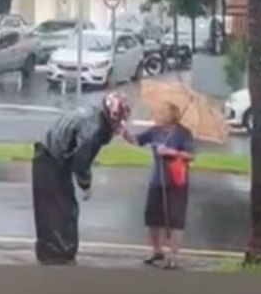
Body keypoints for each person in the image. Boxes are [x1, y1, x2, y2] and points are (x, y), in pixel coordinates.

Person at [32, 93, 132, 265]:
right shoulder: (95, 127)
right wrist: (86, 184)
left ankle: (56, 251)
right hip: (51, 159)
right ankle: (57, 254)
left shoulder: (94, 113)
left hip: (51, 155)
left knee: (58, 207)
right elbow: (82, 159)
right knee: (60, 209)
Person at [123, 102, 195, 270]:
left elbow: (191, 155)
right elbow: (137, 140)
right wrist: (125, 133)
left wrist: (171, 152)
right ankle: (157, 251)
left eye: (161, 112)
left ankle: (174, 256)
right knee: (153, 218)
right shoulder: (155, 131)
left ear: (170, 116)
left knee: (175, 220)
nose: (156, 114)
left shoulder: (183, 133)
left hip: (176, 182)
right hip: (157, 180)